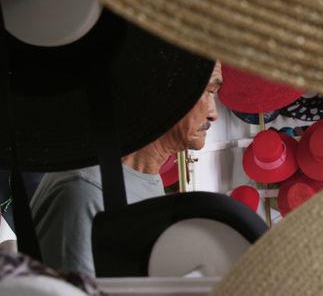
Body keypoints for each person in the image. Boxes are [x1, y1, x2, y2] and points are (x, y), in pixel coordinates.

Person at [29, 60, 223, 277]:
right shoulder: (86, 191)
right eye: (208, 91)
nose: (214, 114)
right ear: (167, 92)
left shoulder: (145, 177)